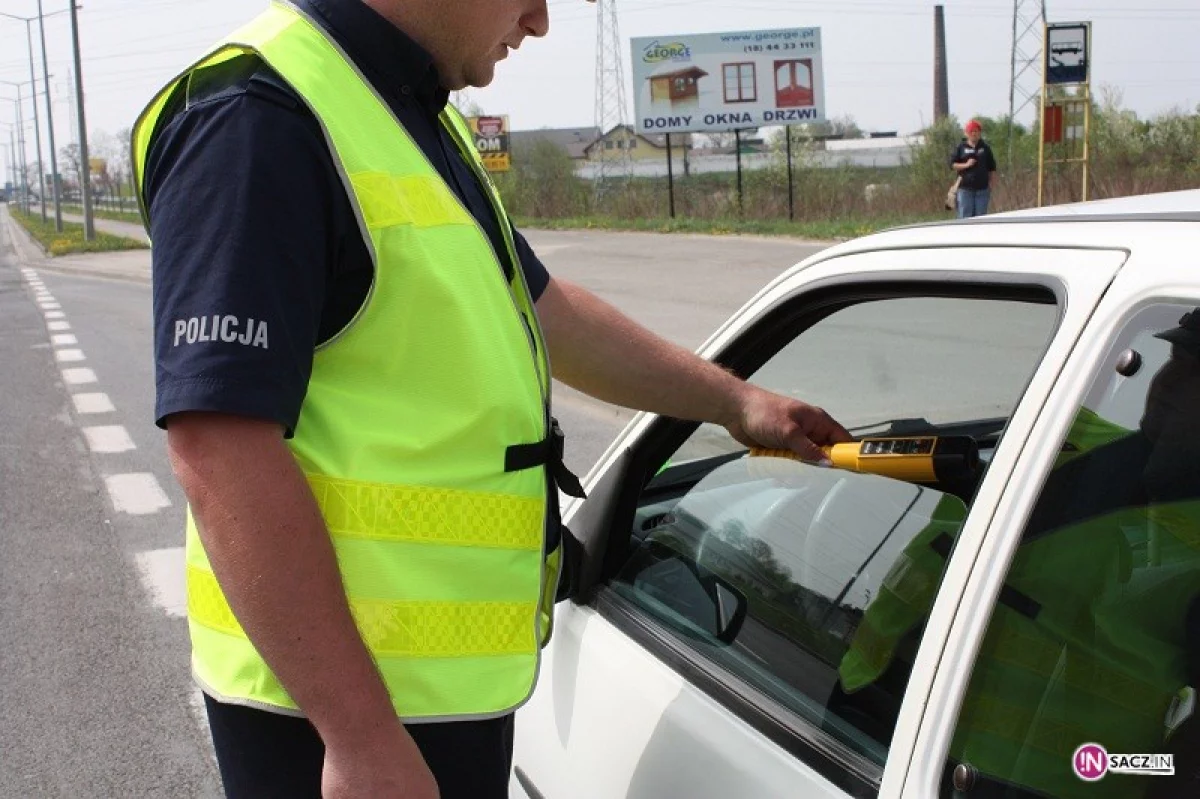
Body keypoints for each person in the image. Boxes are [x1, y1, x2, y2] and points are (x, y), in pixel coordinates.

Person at [130, 1, 851, 797]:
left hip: (429, 704)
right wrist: (361, 736)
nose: (538, 21)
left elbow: (546, 311)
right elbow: (220, 449)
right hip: (334, 726)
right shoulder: (258, 117)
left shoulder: (405, 111)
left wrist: (735, 402)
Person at [837, 310, 1200, 798]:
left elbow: (1186, 764)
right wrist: (809, 457)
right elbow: (909, 446)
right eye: (1176, 359)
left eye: (1199, 375)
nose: (1171, 382)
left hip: (1022, 785)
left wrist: (1124, 769)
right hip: (860, 713)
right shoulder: (1057, 432)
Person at [949, 119, 997, 219]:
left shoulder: (985, 148)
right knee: (965, 217)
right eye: (971, 131)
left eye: (976, 131)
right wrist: (966, 165)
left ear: (980, 133)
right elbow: (952, 164)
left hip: (982, 190)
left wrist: (991, 184)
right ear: (967, 133)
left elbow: (992, 167)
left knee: (980, 218)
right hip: (965, 190)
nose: (974, 133)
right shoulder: (961, 147)